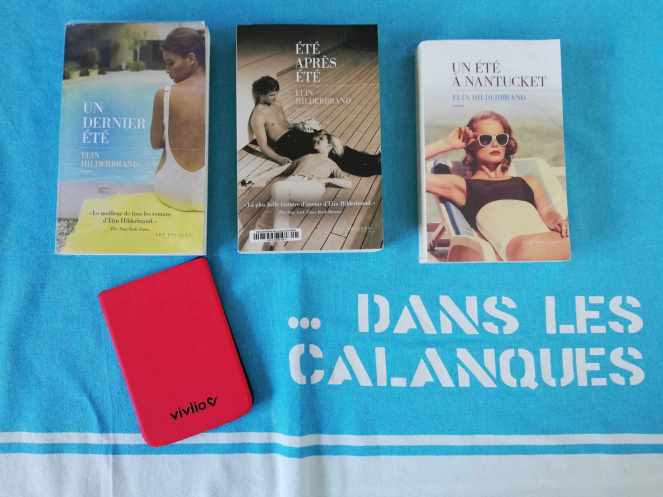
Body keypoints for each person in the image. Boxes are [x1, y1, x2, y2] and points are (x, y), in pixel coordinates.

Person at [425, 111, 570, 261]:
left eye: (501, 138)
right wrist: (447, 144)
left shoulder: (528, 181)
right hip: (519, 248)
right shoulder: (462, 186)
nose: (495, 144)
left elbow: (547, 213)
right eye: (486, 139)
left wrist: (558, 221)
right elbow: (411, 176)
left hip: (547, 241)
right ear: (471, 145)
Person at [249, 75, 380, 177]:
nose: (275, 97)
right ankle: (373, 168)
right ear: (261, 94)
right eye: (272, 95)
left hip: (296, 134)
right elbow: (263, 146)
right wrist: (279, 159)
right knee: (329, 154)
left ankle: (372, 159)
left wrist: (299, 125)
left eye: (276, 93)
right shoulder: (258, 115)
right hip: (286, 144)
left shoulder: (277, 104)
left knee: (332, 142)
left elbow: (285, 123)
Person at [246, 131, 353, 251]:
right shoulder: (307, 157)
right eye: (316, 138)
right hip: (291, 185)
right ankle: (250, 252)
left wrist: (325, 179)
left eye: (321, 139)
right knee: (265, 220)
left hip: (311, 186)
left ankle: (279, 244)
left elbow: (348, 183)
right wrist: (256, 178)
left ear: (329, 146)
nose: (316, 139)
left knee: (279, 187)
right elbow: (283, 169)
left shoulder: (331, 164)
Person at [150, 27, 207, 211]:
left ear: (191, 59)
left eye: (170, 63)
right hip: (206, 193)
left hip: (171, 191)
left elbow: (156, 143)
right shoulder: (217, 91)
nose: (167, 70)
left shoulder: (164, 95)